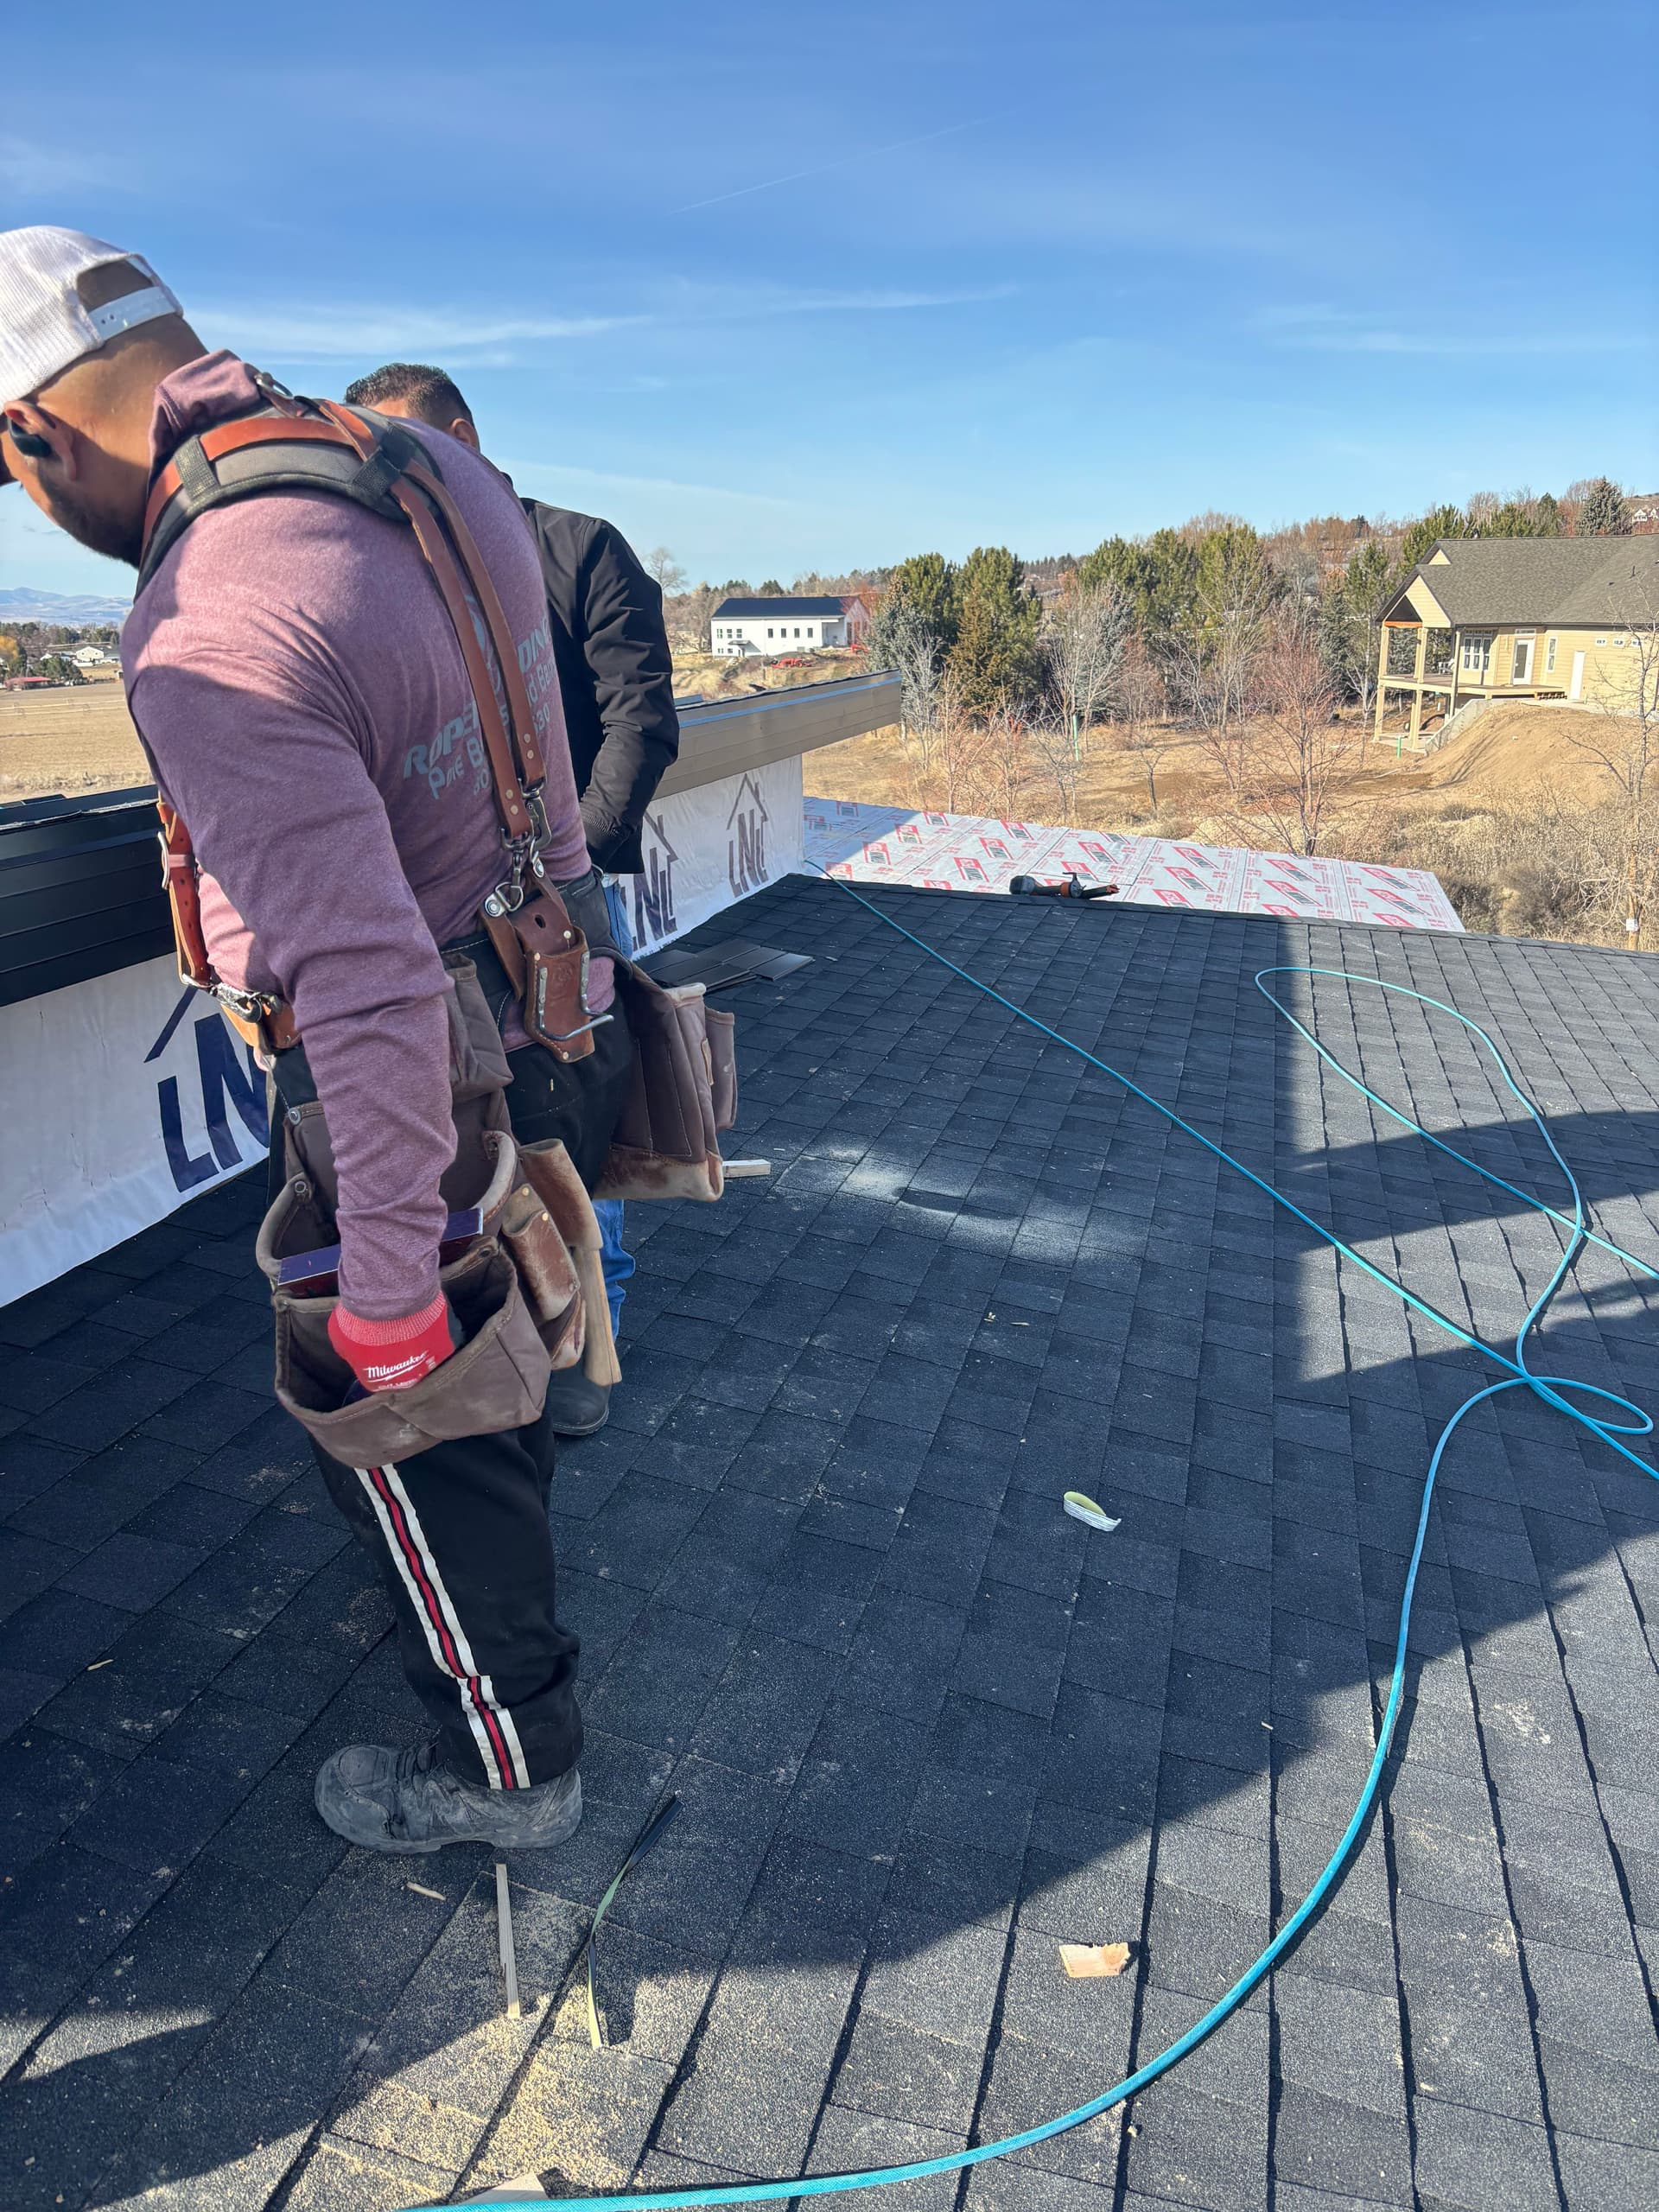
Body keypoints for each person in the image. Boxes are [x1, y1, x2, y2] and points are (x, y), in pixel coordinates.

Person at [0, 225, 618, 1853]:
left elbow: (362, 985)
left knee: (411, 1423)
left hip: (400, 1071)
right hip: (546, 977)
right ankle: (508, 1606)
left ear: (35, 434)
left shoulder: (205, 624)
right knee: (517, 1357)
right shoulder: (416, 460)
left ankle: (506, 1768)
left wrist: (395, 1301)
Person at [341, 362, 679, 1389]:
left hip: (552, 919)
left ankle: (592, 1343)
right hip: (435, 925)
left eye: (399, 447)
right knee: (466, 1144)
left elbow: (641, 720)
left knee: (573, 1125)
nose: (382, 478)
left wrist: (570, 870)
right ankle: (497, 1342)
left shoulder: (579, 551)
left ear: (465, 436)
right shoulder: (384, 577)